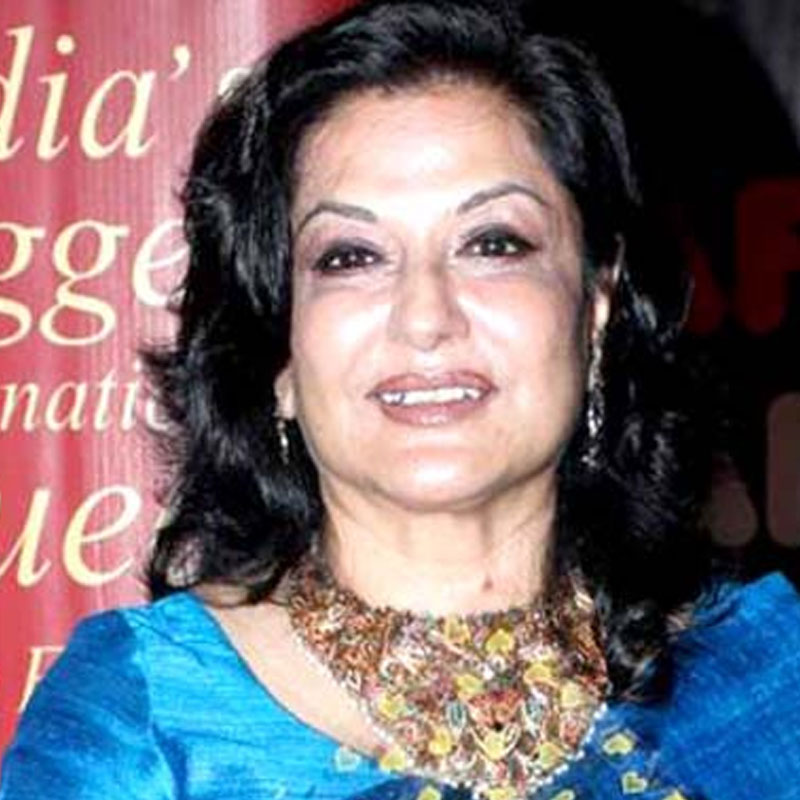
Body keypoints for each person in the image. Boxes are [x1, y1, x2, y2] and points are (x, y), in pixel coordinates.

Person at [2, 1, 799, 798]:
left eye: (493, 244)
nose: (425, 318)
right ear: (278, 348)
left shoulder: (763, 688)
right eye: (351, 257)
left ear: (596, 308)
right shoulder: (142, 719)